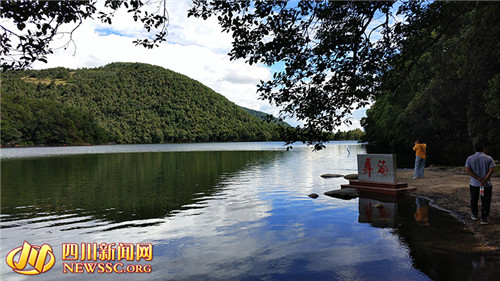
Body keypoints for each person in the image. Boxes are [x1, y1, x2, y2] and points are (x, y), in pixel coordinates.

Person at [465, 142, 496, 225]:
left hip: (474, 183)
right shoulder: (489, 158)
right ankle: (484, 218)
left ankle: (474, 214)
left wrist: (478, 178)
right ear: (483, 149)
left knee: (474, 199)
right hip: (486, 184)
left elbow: (468, 170)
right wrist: (485, 179)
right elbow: (492, 170)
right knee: (486, 200)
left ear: (475, 149)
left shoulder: (470, 158)